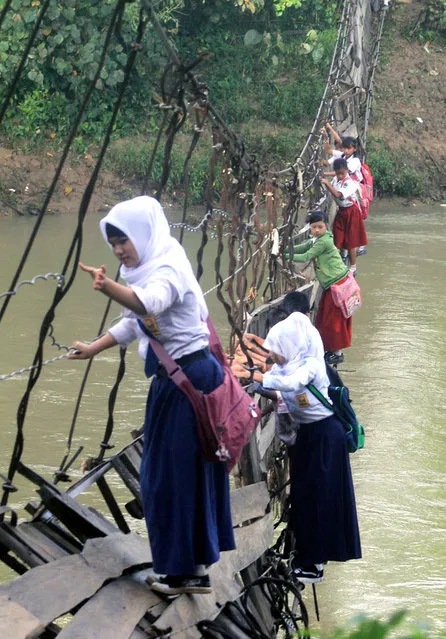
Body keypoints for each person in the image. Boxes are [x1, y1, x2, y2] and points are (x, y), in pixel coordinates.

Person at [69, 195, 235, 596]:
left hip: (188, 381)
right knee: (175, 476)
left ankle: (185, 574)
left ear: (142, 234)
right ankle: (187, 568)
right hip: (175, 382)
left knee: (167, 479)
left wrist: (108, 286)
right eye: (113, 244)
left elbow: (150, 303)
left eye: (123, 240)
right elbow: (134, 322)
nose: (119, 250)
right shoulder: (147, 267)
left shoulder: (167, 269)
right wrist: (94, 347)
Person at [234, 312, 361, 583]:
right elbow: (283, 393)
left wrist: (250, 373)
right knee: (304, 496)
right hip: (310, 437)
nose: (275, 357)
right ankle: (304, 556)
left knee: (321, 499)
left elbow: (292, 385)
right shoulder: (286, 367)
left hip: (326, 438)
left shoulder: (311, 365)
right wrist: (253, 381)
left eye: (278, 351)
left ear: (291, 345)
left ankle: (314, 564)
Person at [286, 210, 351, 366]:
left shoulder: (324, 241)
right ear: (309, 228)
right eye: (313, 227)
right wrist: (286, 249)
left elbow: (306, 256)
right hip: (332, 285)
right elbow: (302, 248)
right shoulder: (316, 239)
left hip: (338, 285)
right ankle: (331, 350)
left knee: (333, 321)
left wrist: (285, 256)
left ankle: (337, 353)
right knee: (325, 318)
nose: (316, 230)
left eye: (320, 227)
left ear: (325, 227)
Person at [321, 158, 368, 274]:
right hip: (342, 211)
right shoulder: (336, 180)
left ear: (347, 171)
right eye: (338, 173)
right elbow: (332, 190)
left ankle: (353, 267)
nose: (340, 176)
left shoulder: (349, 182)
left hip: (351, 212)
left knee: (351, 241)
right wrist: (327, 183)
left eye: (342, 173)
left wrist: (326, 183)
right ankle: (342, 255)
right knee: (337, 234)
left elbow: (337, 194)